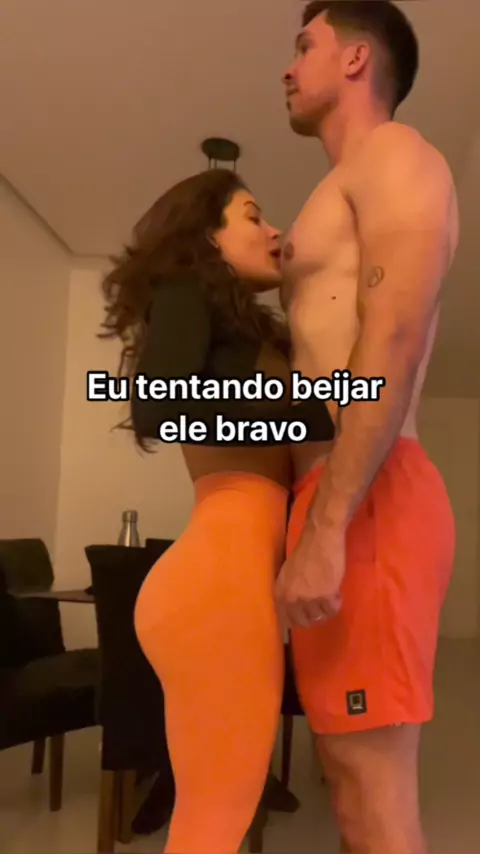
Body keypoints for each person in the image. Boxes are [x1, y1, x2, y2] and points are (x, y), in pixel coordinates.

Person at [99, 168, 334, 854]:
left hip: (224, 585)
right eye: (253, 216)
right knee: (212, 824)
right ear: (207, 236)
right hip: (216, 590)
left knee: (215, 819)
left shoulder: (243, 332)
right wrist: (308, 413)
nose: (274, 231)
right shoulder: (185, 292)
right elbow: (156, 409)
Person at [275, 3, 459, 854]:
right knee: (349, 786)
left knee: (374, 796)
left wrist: (327, 528)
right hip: (338, 494)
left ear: (354, 60)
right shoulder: (339, 188)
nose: (287, 68)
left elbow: (392, 334)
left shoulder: (396, 155)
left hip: (368, 498)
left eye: (303, 46)